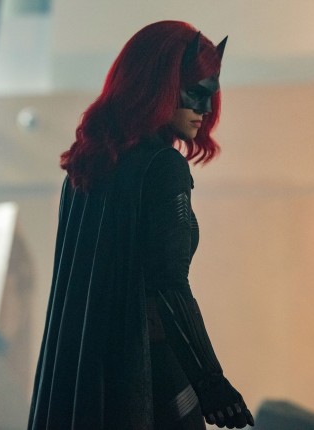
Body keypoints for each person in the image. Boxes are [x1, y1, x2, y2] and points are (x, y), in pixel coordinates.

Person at [27, 21, 255, 430]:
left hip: (88, 384)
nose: (205, 108)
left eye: (210, 93)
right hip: (148, 380)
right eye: (194, 92)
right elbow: (169, 284)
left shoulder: (86, 167)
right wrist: (211, 382)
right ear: (158, 85)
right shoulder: (163, 166)